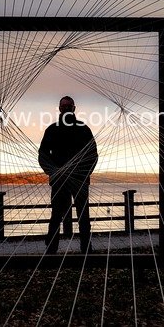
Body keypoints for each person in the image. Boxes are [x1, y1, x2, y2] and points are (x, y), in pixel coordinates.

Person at [38, 96, 98, 254]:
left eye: (68, 106)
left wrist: (84, 174)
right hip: (60, 181)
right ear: (59, 108)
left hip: (79, 180)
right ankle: (52, 250)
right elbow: (43, 155)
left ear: (74, 108)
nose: (65, 109)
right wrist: (53, 173)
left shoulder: (83, 129)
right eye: (63, 106)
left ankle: (86, 250)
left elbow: (92, 155)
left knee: (83, 216)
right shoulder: (52, 129)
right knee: (56, 216)